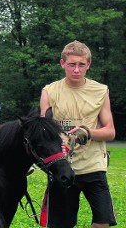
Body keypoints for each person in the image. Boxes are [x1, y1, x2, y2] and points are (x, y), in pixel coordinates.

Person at [39, 40, 117, 228]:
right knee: (61, 225)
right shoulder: (49, 91)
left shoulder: (100, 91)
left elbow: (110, 131)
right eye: (72, 64)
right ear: (62, 63)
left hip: (94, 166)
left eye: (81, 64)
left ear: (88, 64)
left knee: (102, 221)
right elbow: (44, 131)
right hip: (63, 168)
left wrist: (87, 132)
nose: (76, 70)